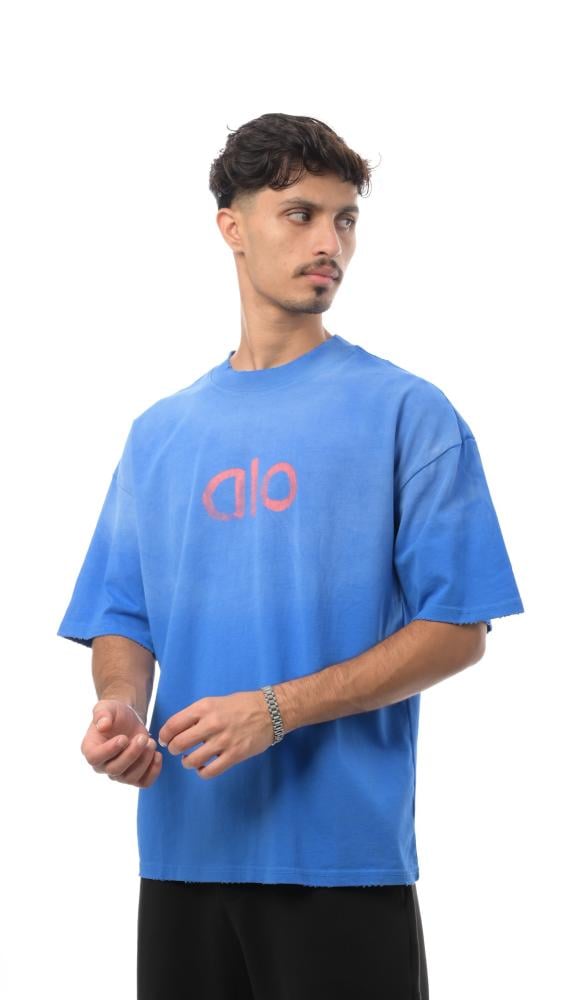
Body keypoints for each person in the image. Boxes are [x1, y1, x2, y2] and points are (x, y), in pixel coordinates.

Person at [57, 112, 525, 1000]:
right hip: (183, 854)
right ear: (231, 227)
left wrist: (276, 710)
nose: (329, 244)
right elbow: (121, 614)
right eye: (300, 215)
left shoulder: (406, 412)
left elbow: (457, 628)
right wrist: (119, 705)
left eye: (344, 220)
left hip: (340, 863)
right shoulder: (159, 433)